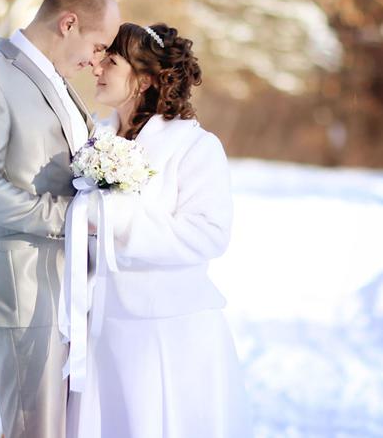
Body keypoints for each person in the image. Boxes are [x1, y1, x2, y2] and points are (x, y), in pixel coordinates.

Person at [0, 0, 120, 438]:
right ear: (69, 23)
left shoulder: (56, 82)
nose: (97, 61)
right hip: (24, 293)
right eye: (98, 45)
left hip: (67, 290)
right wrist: (70, 219)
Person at [66, 23, 252, 437]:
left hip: (168, 336)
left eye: (111, 61)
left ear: (146, 78)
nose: (96, 66)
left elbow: (208, 234)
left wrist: (116, 221)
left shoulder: (196, 147)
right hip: (101, 330)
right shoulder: (94, 140)